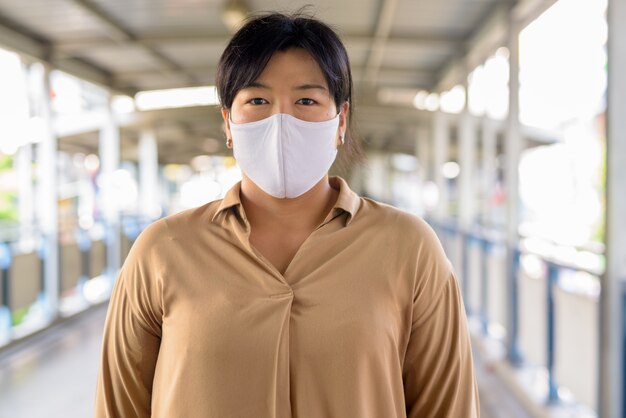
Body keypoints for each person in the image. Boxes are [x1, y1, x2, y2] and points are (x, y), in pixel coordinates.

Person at [94, 11, 480, 418]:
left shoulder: (410, 249)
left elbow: (448, 407)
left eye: (307, 100)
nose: (281, 120)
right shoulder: (161, 252)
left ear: (340, 120)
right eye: (257, 100)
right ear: (228, 121)